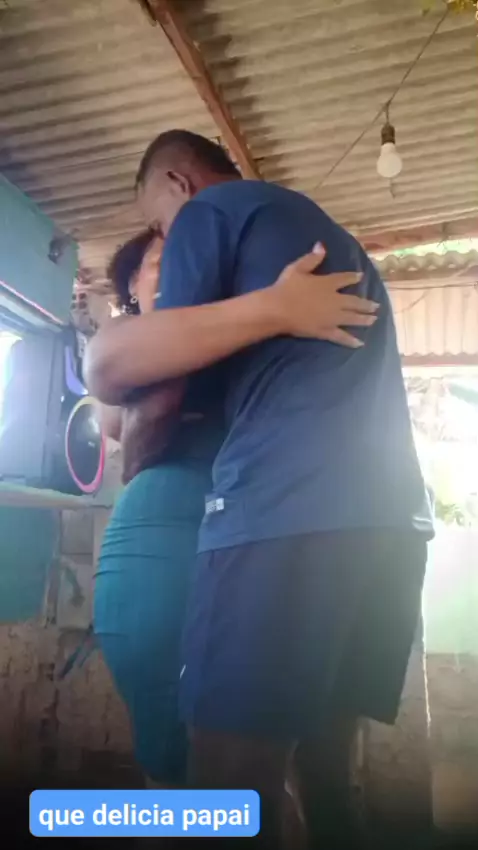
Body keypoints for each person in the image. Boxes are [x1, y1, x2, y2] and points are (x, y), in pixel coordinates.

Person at [86, 131, 432, 849]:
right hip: (388, 520)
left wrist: (139, 447)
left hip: (283, 515)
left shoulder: (209, 217)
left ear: (179, 185)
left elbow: (159, 401)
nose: (167, 239)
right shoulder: (328, 238)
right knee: (327, 777)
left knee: (227, 783)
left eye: (159, 222)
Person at [91, 225, 377, 803]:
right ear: (133, 286)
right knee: (172, 765)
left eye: (191, 257)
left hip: (268, 528)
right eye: (163, 261)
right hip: (162, 537)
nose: (182, 268)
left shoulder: (252, 329)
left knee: (263, 767)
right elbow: (124, 431)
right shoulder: (121, 338)